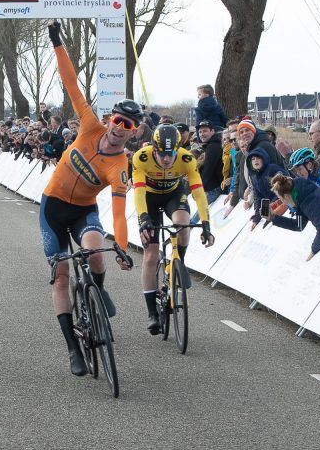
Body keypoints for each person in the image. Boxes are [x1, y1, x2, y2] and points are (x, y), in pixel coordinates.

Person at [41, 20, 133, 377]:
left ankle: (98, 289)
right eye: (117, 121)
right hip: (53, 208)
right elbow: (71, 83)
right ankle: (72, 348)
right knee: (63, 275)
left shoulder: (120, 166)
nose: (118, 128)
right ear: (109, 120)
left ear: (132, 133)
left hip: (83, 211)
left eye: (127, 126)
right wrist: (56, 43)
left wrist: (122, 247)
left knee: (96, 250)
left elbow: (122, 215)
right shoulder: (89, 124)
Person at [133, 124, 215, 334]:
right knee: (151, 256)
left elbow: (198, 191)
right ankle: (152, 312)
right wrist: (143, 219)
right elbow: (139, 193)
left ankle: (179, 262)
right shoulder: (141, 157)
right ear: (154, 149)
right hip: (149, 198)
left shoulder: (187, 158)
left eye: (171, 154)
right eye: (162, 154)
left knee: (183, 224)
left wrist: (206, 222)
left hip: (172, 193)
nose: (167, 159)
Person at [266, 174, 320, 261]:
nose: (283, 203)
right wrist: (273, 218)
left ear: (286, 196)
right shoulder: (300, 197)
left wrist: (313, 251)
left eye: (280, 199)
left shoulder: (308, 201)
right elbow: (298, 225)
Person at [245, 147, 288, 229]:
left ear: (264, 159)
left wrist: (270, 207)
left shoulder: (272, 169)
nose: (255, 161)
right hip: (272, 206)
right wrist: (257, 216)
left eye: (258, 158)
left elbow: (285, 186)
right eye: (253, 159)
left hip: (286, 202)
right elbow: (259, 197)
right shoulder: (254, 177)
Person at [196, 120, 223, 204]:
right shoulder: (208, 146)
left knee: (198, 217)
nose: (202, 134)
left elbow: (208, 169)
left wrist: (200, 188)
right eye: (200, 132)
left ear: (212, 131)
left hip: (213, 189)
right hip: (211, 188)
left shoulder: (213, 147)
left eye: (205, 131)